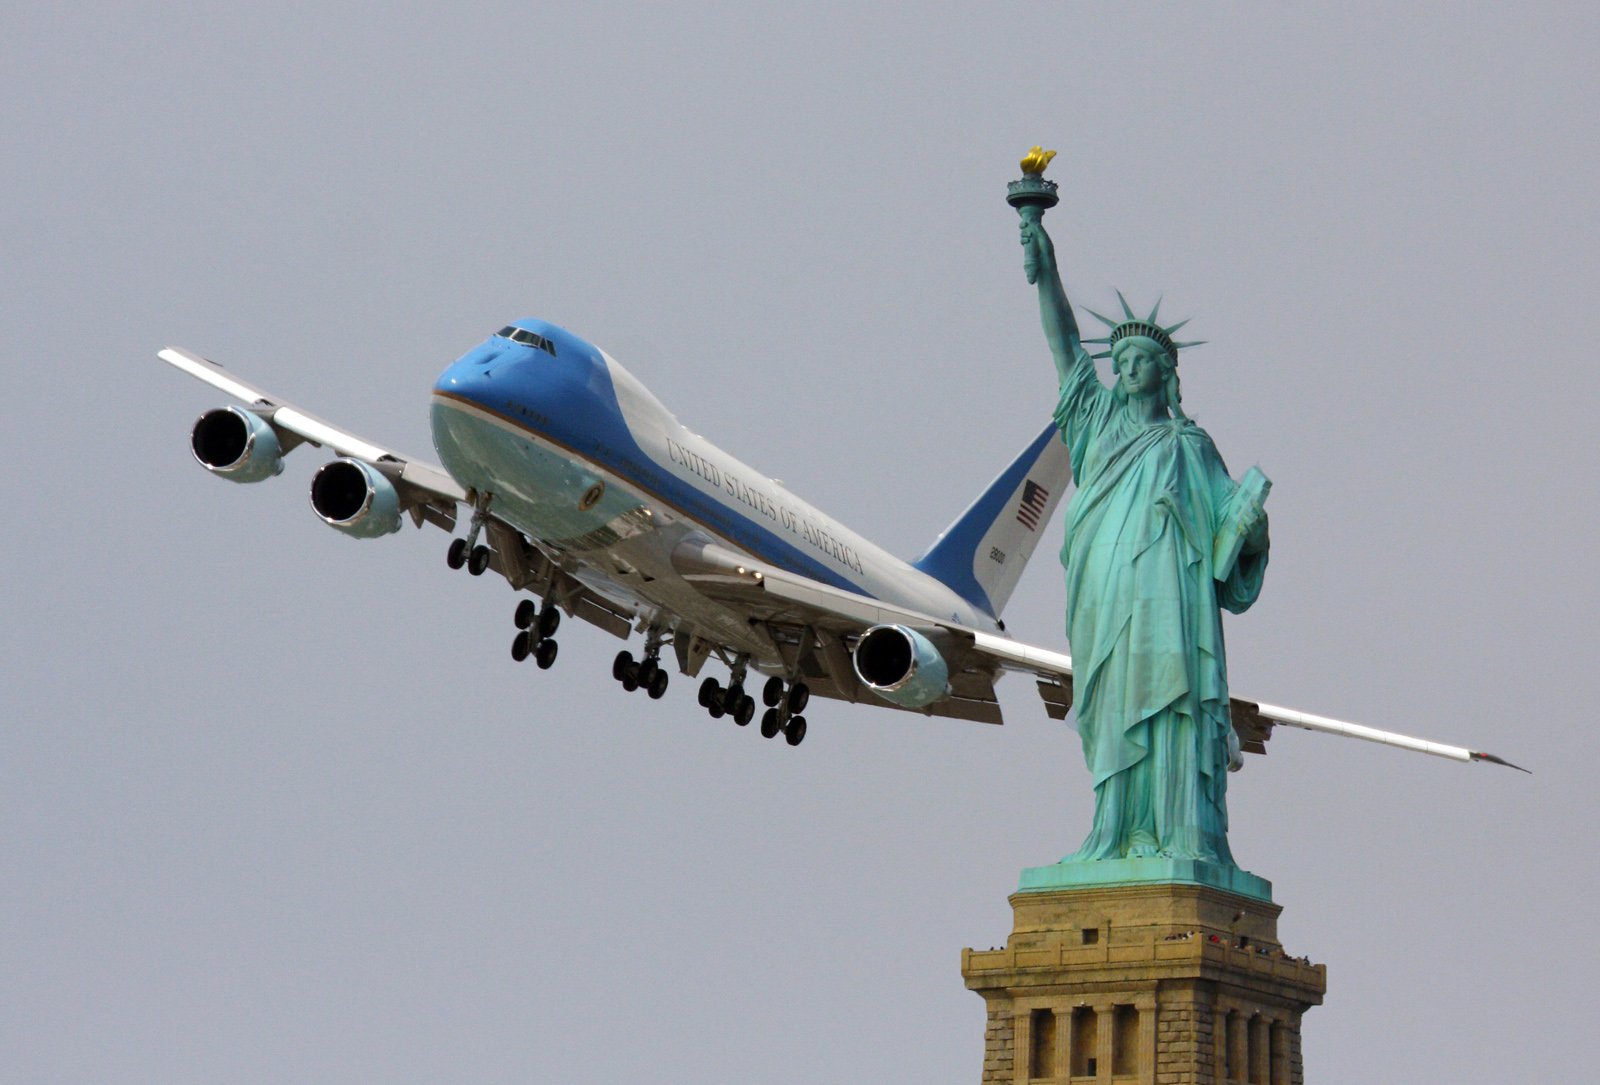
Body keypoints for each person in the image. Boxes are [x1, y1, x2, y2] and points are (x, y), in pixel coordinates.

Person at [1018, 214, 1269, 865]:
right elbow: (1063, 341)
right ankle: (1114, 829)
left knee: (1173, 705)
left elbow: (1229, 537)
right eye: (1121, 360)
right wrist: (1041, 256)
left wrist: (1251, 526)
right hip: (1105, 592)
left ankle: (1182, 831)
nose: (1126, 369)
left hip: (1172, 599)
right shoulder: (1094, 419)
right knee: (1111, 704)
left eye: (1140, 362)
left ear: (1165, 374)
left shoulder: (1191, 445)